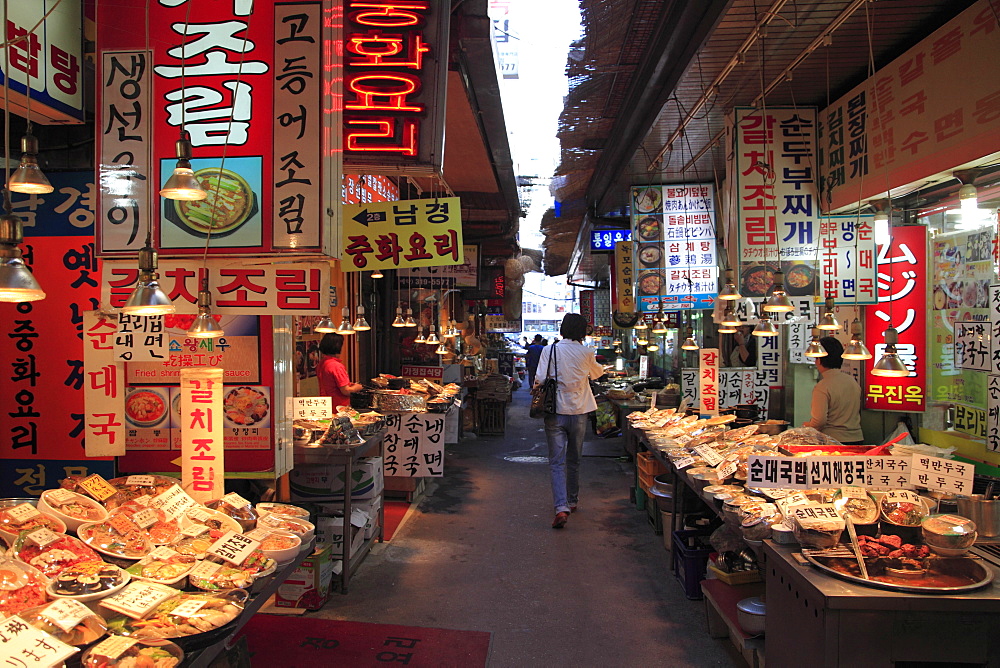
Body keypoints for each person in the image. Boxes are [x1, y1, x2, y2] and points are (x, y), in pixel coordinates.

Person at [535, 314, 605, 529]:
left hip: (555, 410)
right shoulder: (586, 352)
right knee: (574, 459)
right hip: (580, 410)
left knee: (556, 462)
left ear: (562, 329)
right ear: (583, 331)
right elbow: (596, 375)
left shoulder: (550, 350)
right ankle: (572, 501)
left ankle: (561, 507)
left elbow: (539, 379)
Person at [803, 337, 864, 445]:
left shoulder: (822, 386)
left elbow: (819, 421)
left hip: (833, 442)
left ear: (820, 360)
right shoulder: (852, 381)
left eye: (816, 358)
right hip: (857, 439)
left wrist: (806, 426)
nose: (815, 362)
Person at [317, 333, 363, 409]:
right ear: (338, 347)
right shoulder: (336, 366)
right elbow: (346, 391)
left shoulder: (322, 363)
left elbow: (331, 384)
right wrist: (358, 387)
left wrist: (349, 384)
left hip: (325, 405)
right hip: (339, 407)